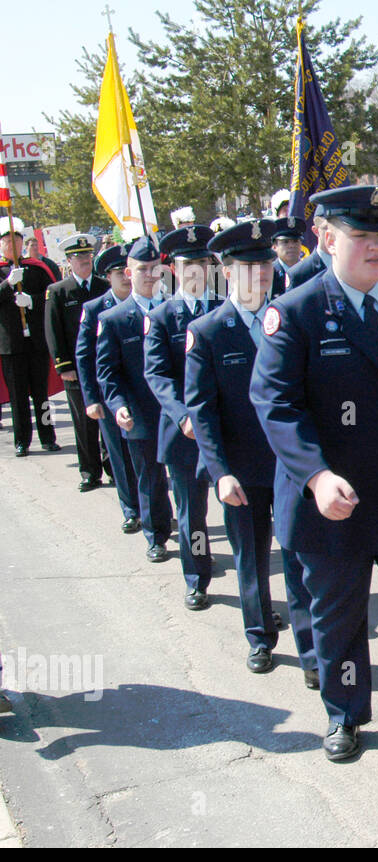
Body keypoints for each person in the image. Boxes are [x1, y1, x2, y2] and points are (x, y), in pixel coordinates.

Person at [250, 184, 378, 764]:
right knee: (338, 619)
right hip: (332, 501)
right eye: (362, 236)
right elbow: (275, 403)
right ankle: (345, 714)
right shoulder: (296, 311)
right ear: (326, 237)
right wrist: (314, 475)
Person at [186, 220, 317, 682]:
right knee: (252, 557)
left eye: (264, 264)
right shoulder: (207, 332)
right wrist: (219, 472)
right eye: (248, 266)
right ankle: (260, 635)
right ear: (226, 271)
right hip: (242, 470)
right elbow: (201, 411)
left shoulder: (292, 318)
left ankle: (312, 651)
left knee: (300, 557)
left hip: (293, 466)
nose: (260, 273)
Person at [144, 225, 219, 610]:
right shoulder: (161, 318)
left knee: (248, 516)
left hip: (227, 431)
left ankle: (258, 591)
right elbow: (157, 375)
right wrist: (183, 416)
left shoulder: (225, 309)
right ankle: (197, 577)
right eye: (188, 264)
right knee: (193, 514)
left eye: (202, 263)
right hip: (185, 433)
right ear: (174, 269)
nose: (196, 271)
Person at [96, 236, 174, 562]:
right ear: (129, 272)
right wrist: (118, 406)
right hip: (140, 412)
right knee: (151, 480)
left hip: (175, 411)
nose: (149, 275)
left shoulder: (176, 310)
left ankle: (196, 543)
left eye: (155, 269)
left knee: (187, 485)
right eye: (142, 269)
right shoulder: (113, 320)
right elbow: (107, 372)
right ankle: (155, 536)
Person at [76, 245, 141, 531]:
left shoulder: (147, 303)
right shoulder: (94, 309)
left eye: (126, 271)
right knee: (120, 455)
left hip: (142, 393)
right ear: (109, 276)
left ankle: (154, 507)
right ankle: (131, 509)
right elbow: (84, 357)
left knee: (148, 456)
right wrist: (91, 399)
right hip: (110, 395)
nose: (125, 278)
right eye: (117, 273)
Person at [44, 233, 109, 490]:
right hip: (76, 368)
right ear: (69, 261)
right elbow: (53, 331)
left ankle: (112, 466)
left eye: (88, 256)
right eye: (79, 257)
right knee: (84, 422)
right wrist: (63, 365)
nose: (85, 261)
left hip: (104, 364)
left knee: (108, 418)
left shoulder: (103, 286)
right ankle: (90, 472)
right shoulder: (58, 292)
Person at [0, 216, 61, 456]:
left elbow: (51, 297)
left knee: (41, 394)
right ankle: (21, 440)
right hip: (10, 345)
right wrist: (7, 284)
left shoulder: (36, 268)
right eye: (7, 241)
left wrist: (32, 301)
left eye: (16, 240)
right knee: (18, 398)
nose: (12, 244)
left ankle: (48, 436)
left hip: (35, 341)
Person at [269, 216, 304, 298]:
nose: (291, 246)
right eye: (285, 242)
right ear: (274, 247)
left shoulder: (309, 272)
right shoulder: (269, 274)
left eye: (295, 241)